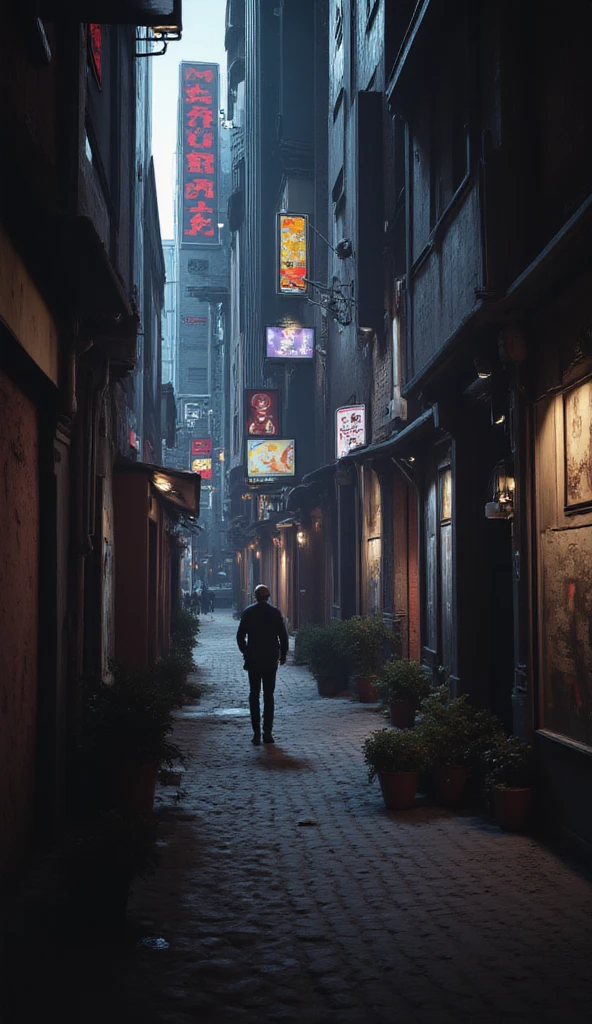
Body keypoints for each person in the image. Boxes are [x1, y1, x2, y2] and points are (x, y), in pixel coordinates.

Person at [236, 584, 288, 746]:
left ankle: (256, 733)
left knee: (254, 694)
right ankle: (268, 732)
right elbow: (283, 637)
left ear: (255, 596)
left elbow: (240, 636)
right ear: (268, 596)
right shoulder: (275, 613)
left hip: (254, 659)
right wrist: (283, 654)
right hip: (270, 658)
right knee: (268, 696)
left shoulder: (249, 612)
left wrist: (246, 651)